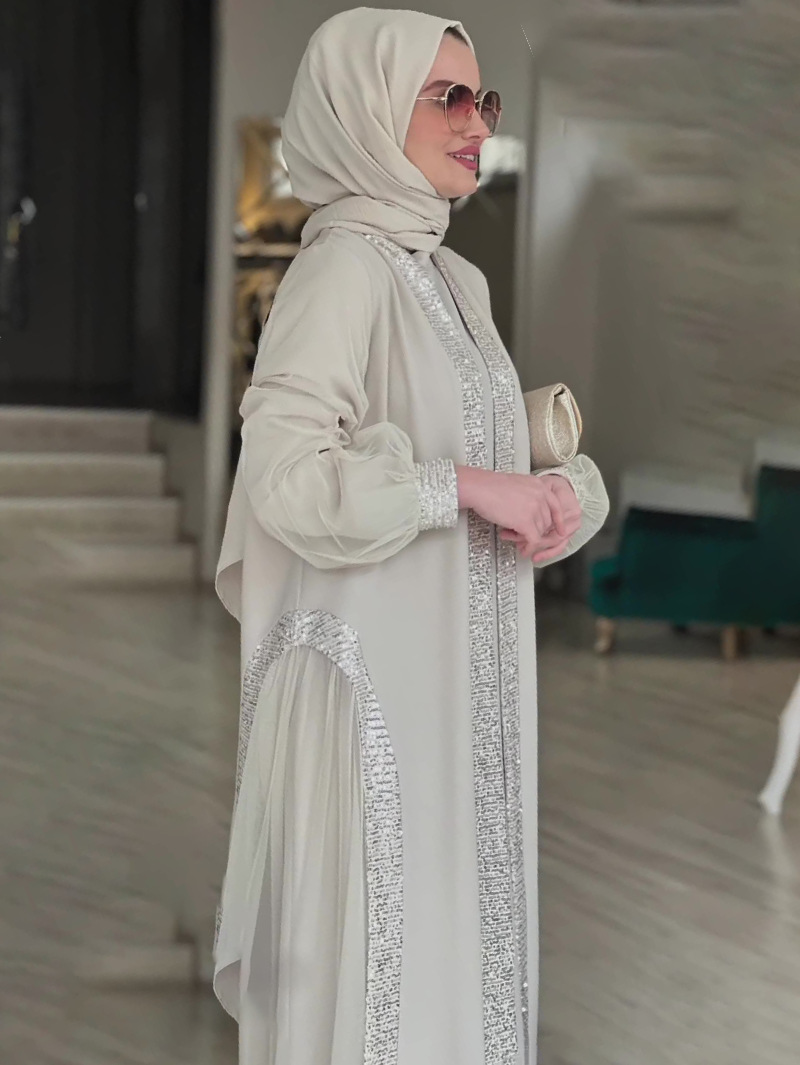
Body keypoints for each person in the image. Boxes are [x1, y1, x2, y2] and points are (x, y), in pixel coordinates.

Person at [213, 9, 609, 1064]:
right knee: (387, 968)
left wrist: (555, 490)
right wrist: (466, 486)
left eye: (483, 100)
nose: (477, 123)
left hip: (461, 692)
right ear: (366, 107)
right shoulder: (340, 267)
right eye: (447, 97)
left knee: (457, 958)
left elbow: (467, 452)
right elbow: (286, 476)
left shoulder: (453, 278)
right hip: (378, 704)